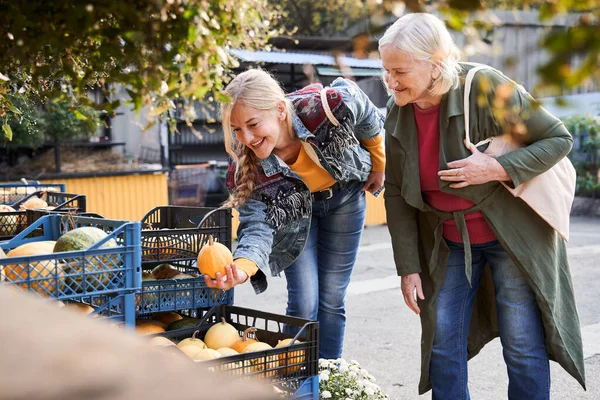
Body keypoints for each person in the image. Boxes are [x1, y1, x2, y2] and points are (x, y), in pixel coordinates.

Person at [379, 12, 585, 399]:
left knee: (522, 344)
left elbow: (558, 138)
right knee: (442, 342)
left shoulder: (485, 85)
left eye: (400, 71)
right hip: (451, 243)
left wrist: (496, 167)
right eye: (385, 70)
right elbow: (394, 192)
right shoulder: (397, 110)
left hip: (511, 239)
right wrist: (408, 267)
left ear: (435, 64)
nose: (390, 81)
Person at [203, 68, 385, 359]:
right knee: (303, 301)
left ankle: (327, 375)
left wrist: (378, 163)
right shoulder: (244, 163)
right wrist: (242, 268)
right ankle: (299, 379)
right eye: (237, 129)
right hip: (293, 214)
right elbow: (257, 225)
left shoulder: (321, 107)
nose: (246, 137)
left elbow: (363, 107)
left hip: (344, 200)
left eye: (252, 124)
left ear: (278, 110)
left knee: (332, 297)